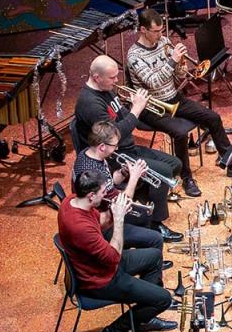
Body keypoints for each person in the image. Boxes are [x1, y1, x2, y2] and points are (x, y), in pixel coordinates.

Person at [58, 170, 176, 332]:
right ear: (91, 196)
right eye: (103, 192)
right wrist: (119, 219)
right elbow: (114, 256)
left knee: (154, 256)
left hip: (100, 265)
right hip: (100, 280)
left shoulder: (71, 201)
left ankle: (141, 317)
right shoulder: (80, 228)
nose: (106, 195)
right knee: (163, 300)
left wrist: (115, 211)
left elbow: (102, 222)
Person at [126, 9, 232, 196]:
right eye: (155, 32)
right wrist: (172, 61)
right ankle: (187, 178)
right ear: (142, 30)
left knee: (212, 117)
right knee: (180, 133)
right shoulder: (134, 56)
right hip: (151, 107)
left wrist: (181, 65)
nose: (161, 35)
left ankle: (230, 162)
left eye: (162, 30)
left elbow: (178, 76)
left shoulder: (163, 42)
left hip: (173, 98)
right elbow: (153, 82)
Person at [74, 55, 182, 242]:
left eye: (117, 76)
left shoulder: (106, 89)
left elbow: (123, 116)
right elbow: (116, 135)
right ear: (97, 77)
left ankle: (142, 201)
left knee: (175, 164)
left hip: (127, 148)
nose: (117, 81)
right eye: (112, 77)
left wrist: (134, 106)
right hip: (113, 154)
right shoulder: (90, 103)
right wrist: (136, 110)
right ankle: (155, 224)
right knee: (163, 173)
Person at [72, 121, 174, 269]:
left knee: (143, 209)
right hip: (102, 221)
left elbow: (110, 180)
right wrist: (134, 177)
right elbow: (122, 202)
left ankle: (145, 257)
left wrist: (124, 172)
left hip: (100, 207)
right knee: (145, 215)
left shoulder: (87, 154)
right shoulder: (94, 173)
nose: (117, 148)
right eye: (114, 145)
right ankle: (149, 261)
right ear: (102, 146)